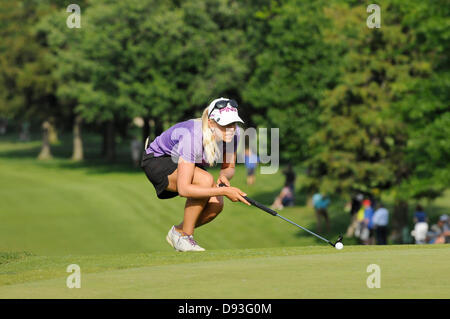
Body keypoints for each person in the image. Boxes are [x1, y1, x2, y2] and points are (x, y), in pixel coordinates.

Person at [141, 97, 250, 252]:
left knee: (216, 205)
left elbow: (229, 167)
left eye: (233, 123)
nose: (231, 128)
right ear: (211, 123)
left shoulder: (234, 134)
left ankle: (178, 232)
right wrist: (225, 190)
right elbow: (184, 189)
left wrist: (225, 177)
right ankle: (185, 237)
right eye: (225, 124)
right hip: (157, 160)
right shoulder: (193, 136)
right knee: (205, 180)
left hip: (182, 163)